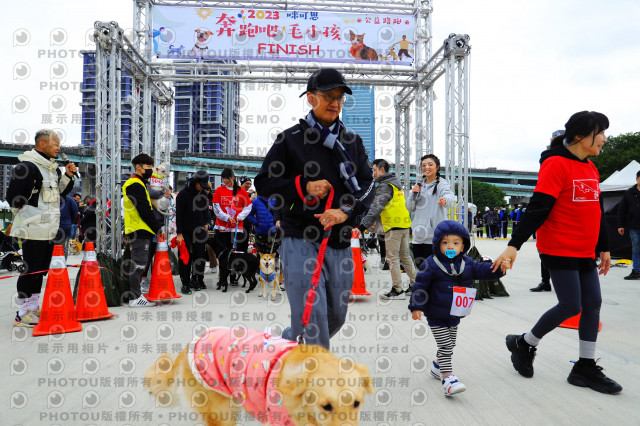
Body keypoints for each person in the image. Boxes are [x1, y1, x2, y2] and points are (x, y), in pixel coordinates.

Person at [493, 111, 622, 395]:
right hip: (559, 247)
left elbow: (596, 211)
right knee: (571, 305)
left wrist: (605, 248)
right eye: (600, 132)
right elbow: (538, 207)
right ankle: (524, 342)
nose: (604, 138)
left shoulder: (590, 167)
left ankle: (584, 367)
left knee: (593, 304)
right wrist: (514, 244)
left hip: (585, 250)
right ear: (579, 136)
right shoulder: (555, 164)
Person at [255, 67, 374, 349]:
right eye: (328, 96)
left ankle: (287, 340)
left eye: (340, 97)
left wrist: (345, 211)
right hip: (299, 238)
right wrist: (302, 186)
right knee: (313, 315)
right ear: (311, 98)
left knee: (335, 315)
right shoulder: (290, 139)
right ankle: (316, 384)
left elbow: (369, 186)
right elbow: (264, 183)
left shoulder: (352, 142)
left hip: (340, 239)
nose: (335, 102)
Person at [409, 220, 509, 396]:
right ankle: (447, 378)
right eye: (445, 242)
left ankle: (436, 367)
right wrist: (416, 306)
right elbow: (420, 286)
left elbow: (485, 270)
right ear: (438, 244)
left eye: (456, 243)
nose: (450, 246)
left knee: (451, 343)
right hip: (436, 314)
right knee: (446, 345)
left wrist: (500, 268)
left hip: (455, 313)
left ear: (463, 247)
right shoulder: (431, 264)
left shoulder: (468, 263)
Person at [7, 129, 77, 327]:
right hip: (33, 228)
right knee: (30, 270)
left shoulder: (52, 169)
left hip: (49, 228)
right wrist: (28, 216)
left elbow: (59, 194)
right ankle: (22, 313)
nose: (59, 148)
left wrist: (69, 176)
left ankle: (34, 307)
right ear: (42, 144)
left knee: (40, 270)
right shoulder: (27, 166)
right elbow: (13, 198)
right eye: (56, 144)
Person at [359, 159, 416, 299]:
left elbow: (376, 207)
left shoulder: (385, 186)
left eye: (374, 170)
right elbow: (388, 207)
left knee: (392, 258)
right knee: (405, 256)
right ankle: (417, 286)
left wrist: (363, 225)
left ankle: (397, 290)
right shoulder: (395, 184)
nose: (373, 173)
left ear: (382, 170)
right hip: (404, 225)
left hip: (393, 227)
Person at [122, 153, 164, 307]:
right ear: (138, 167)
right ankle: (135, 297)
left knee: (140, 262)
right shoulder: (135, 184)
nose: (150, 171)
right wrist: (158, 228)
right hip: (139, 228)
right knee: (139, 263)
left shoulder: (139, 183)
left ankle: (136, 295)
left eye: (152, 167)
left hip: (139, 228)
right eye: (148, 167)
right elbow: (144, 210)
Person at [406, 154, 455, 268]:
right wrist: (413, 194)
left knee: (434, 268)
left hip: (434, 236)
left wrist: (445, 200)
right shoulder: (418, 185)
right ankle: (420, 286)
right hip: (418, 235)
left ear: (437, 167)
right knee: (420, 267)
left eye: (430, 164)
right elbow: (410, 207)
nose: (426, 167)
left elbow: (450, 197)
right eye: (423, 165)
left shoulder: (442, 184)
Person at [212, 167, 252, 288]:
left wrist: (238, 217)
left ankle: (234, 277)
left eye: (227, 179)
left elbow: (248, 207)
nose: (225, 181)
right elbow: (216, 207)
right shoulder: (219, 190)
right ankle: (223, 279)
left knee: (234, 254)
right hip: (222, 227)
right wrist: (226, 217)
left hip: (236, 228)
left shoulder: (241, 191)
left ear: (233, 178)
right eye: (223, 179)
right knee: (223, 255)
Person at [176, 171, 211, 294]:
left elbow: (205, 212)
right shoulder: (182, 195)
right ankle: (185, 283)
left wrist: (207, 223)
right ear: (195, 182)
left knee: (200, 257)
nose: (202, 187)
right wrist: (179, 234)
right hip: (185, 232)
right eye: (200, 184)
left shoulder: (203, 195)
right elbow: (179, 216)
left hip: (200, 231)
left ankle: (195, 279)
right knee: (186, 258)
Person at [617, 169, 640, 280]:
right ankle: (636, 271)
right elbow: (622, 209)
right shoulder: (629, 193)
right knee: (636, 249)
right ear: (637, 179)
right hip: (634, 226)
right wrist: (621, 224)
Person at [57, 195, 79, 259]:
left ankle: (52, 264)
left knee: (51, 247)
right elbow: (75, 212)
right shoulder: (69, 200)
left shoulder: (50, 197)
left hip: (51, 226)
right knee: (63, 247)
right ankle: (63, 263)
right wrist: (69, 222)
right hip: (65, 226)